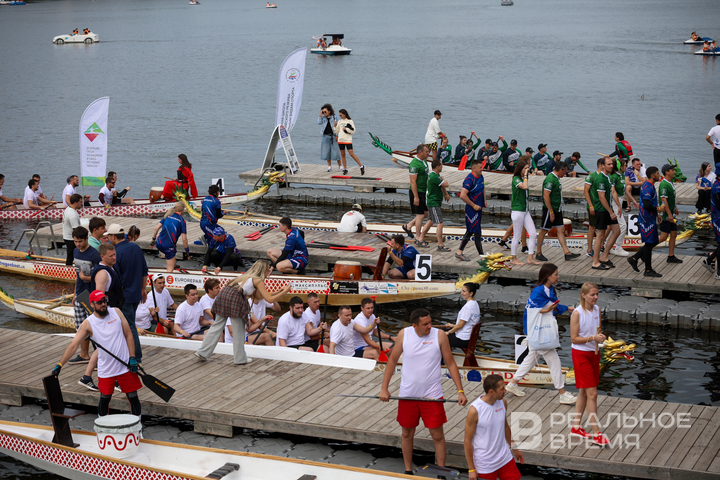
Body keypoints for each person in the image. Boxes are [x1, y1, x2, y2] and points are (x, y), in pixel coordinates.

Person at [379, 308, 468, 476]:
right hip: (408, 395)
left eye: (430, 322)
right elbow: (392, 361)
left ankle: (441, 473)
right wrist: (384, 388)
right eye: (425, 324)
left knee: (437, 435)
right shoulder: (404, 334)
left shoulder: (439, 335)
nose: (430, 326)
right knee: (407, 433)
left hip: (432, 396)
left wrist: (460, 391)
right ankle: (408, 471)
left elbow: (450, 363)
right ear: (414, 325)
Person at [52, 290, 142, 418]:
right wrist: (60, 364)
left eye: (104, 301)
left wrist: (132, 357)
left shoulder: (116, 312)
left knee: (133, 397)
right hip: (106, 369)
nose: (103, 304)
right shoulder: (88, 323)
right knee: (105, 399)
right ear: (92, 304)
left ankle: (138, 425)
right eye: (99, 302)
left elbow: (129, 335)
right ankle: (102, 425)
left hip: (125, 365)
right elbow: (73, 346)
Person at [505, 263, 577, 405]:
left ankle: (512, 383)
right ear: (548, 276)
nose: (558, 277)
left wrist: (567, 308)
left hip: (541, 331)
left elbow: (552, 305)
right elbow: (531, 311)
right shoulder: (538, 291)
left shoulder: (548, 290)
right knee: (554, 362)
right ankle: (562, 393)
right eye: (556, 274)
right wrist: (548, 310)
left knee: (531, 358)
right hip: (539, 332)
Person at [195, 260, 291, 364]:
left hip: (224, 294)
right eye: (267, 270)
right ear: (262, 270)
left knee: (216, 326)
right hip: (236, 297)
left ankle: (202, 352)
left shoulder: (246, 277)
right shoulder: (258, 280)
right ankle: (240, 358)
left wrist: (279, 291)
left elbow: (261, 295)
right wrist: (285, 291)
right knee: (239, 330)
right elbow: (270, 299)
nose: (268, 273)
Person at [569, 282, 609, 447]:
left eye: (597, 294)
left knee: (584, 392)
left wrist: (600, 337)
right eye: (592, 294)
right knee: (592, 394)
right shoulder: (577, 313)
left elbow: (597, 331)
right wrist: (593, 338)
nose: (596, 297)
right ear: (584, 295)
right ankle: (597, 433)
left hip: (594, 353)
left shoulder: (597, 309)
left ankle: (576, 427)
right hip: (581, 355)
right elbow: (574, 338)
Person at [463, 374, 525, 480]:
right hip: (485, 465)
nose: (505, 391)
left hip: (505, 459)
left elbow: (505, 427)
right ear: (491, 392)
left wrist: (514, 448)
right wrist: (471, 469)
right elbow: (467, 441)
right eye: (502, 389)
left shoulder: (503, 402)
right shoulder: (475, 410)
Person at [107, 223, 147, 364]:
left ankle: (135, 356)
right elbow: (144, 270)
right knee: (130, 324)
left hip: (124, 296)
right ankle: (129, 353)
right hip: (136, 294)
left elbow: (115, 278)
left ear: (113, 237)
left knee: (129, 326)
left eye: (109, 236)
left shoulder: (116, 253)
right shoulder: (136, 247)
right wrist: (143, 289)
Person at [67, 227, 102, 391]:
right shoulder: (76, 251)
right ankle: (84, 355)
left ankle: (100, 358)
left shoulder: (94, 255)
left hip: (91, 295)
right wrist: (75, 293)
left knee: (94, 328)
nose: (77, 244)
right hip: (80, 293)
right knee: (81, 327)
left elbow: (99, 277)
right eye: (75, 241)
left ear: (86, 239)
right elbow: (77, 275)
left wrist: (85, 277)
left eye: (80, 241)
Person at [535, 161, 581, 263]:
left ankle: (567, 253)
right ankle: (538, 253)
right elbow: (546, 196)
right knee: (544, 230)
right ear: (560, 170)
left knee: (561, 229)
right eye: (564, 171)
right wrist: (551, 211)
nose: (565, 174)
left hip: (557, 208)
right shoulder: (550, 179)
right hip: (550, 209)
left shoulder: (557, 178)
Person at [628, 166, 662, 277]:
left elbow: (651, 202)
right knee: (649, 243)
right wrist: (658, 209)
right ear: (653, 175)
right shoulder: (648, 187)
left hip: (650, 218)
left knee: (653, 242)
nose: (659, 175)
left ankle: (635, 258)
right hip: (646, 219)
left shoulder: (650, 185)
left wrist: (657, 214)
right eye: (657, 173)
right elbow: (647, 205)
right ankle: (648, 270)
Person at [589, 157, 620, 270]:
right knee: (600, 235)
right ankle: (595, 262)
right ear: (602, 166)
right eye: (608, 164)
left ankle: (604, 256)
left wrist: (619, 206)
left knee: (617, 230)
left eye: (612, 164)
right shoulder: (600, 178)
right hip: (602, 210)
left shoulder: (609, 177)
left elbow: (613, 192)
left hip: (608, 209)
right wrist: (611, 212)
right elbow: (602, 198)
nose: (611, 166)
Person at [456, 159, 487, 262]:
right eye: (480, 167)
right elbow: (462, 195)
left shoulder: (481, 176)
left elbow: (483, 188)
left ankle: (459, 252)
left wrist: (484, 201)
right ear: (474, 168)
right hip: (471, 210)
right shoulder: (469, 180)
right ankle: (482, 257)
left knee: (470, 231)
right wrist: (474, 206)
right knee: (477, 232)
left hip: (479, 208)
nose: (482, 169)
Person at [509, 158, 539, 266]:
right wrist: (526, 175)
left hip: (525, 211)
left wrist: (525, 176)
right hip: (517, 211)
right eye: (525, 168)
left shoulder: (523, 178)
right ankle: (514, 258)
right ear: (520, 169)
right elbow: (525, 187)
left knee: (533, 234)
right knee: (517, 236)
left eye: (528, 168)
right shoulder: (516, 179)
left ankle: (530, 258)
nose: (527, 170)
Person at [402, 144, 430, 244]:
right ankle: (418, 238)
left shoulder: (424, 161)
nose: (428, 153)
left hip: (424, 190)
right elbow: (413, 182)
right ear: (420, 152)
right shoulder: (414, 164)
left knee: (425, 213)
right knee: (420, 215)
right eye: (426, 152)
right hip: (417, 191)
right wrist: (416, 197)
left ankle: (408, 225)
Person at [420, 158, 451, 251]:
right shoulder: (434, 177)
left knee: (430, 220)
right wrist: (443, 179)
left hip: (433, 201)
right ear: (437, 167)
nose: (442, 167)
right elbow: (446, 184)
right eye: (441, 165)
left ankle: (420, 239)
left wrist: (446, 194)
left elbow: (441, 185)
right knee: (440, 223)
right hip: (433, 202)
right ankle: (440, 245)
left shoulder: (435, 175)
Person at [152, 203, 189, 273]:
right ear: (182, 210)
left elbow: (156, 228)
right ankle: (169, 272)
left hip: (158, 242)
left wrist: (153, 239)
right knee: (169, 270)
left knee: (173, 250)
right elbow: (184, 239)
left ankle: (174, 265)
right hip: (168, 247)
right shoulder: (182, 221)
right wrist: (187, 250)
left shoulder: (168, 215)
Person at [657, 164, 683, 264]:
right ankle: (645, 249)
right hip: (665, 215)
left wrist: (675, 207)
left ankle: (671, 256)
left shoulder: (670, 182)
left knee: (674, 233)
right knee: (663, 237)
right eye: (672, 170)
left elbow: (671, 198)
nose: (674, 171)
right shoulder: (664, 184)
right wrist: (669, 214)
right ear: (666, 172)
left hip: (671, 213)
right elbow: (664, 200)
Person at [444, 282, 480, 348]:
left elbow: (460, 325)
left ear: (471, 293)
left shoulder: (468, 307)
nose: (461, 293)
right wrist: (452, 326)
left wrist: (449, 332)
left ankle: (445, 354)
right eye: (462, 291)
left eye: (464, 291)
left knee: (439, 336)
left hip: (463, 339)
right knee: (443, 330)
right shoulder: (475, 304)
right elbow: (467, 324)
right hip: (470, 337)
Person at [608, 159, 631, 257]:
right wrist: (619, 206)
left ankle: (607, 246)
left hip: (620, 200)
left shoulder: (622, 175)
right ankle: (618, 247)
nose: (626, 167)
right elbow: (613, 192)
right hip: (615, 202)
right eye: (625, 165)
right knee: (622, 225)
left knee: (612, 227)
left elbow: (625, 190)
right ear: (620, 167)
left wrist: (633, 201)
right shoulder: (613, 177)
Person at [335, 109, 364, 175]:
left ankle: (361, 166)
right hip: (341, 140)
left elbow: (353, 131)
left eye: (341, 115)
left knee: (351, 154)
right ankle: (345, 169)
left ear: (344, 114)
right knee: (342, 154)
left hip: (348, 140)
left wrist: (346, 129)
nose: (340, 116)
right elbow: (336, 131)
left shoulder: (350, 121)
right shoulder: (339, 121)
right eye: (339, 115)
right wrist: (335, 125)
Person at [319, 104, 341, 172]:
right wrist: (320, 115)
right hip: (325, 136)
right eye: (323, 112)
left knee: (336, 151)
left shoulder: (334, 117)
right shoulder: (323, 117)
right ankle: (329, 166)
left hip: (333, 136)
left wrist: (337, 135)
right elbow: (319, 122)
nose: (324, 113)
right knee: (326, 152)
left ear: (329, 111)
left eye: (325, 111)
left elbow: (339, 126)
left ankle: (340, 166)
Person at [62, 194, 83, 265]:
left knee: (70, 255)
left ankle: (69, 267)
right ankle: (69, 268)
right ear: (75, 202)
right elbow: (76, 231)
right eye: (80, 202)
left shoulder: (68, 208)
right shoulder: (72, 215)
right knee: (71, 257)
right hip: (71, 239)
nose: (81, 204)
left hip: (66, 236)